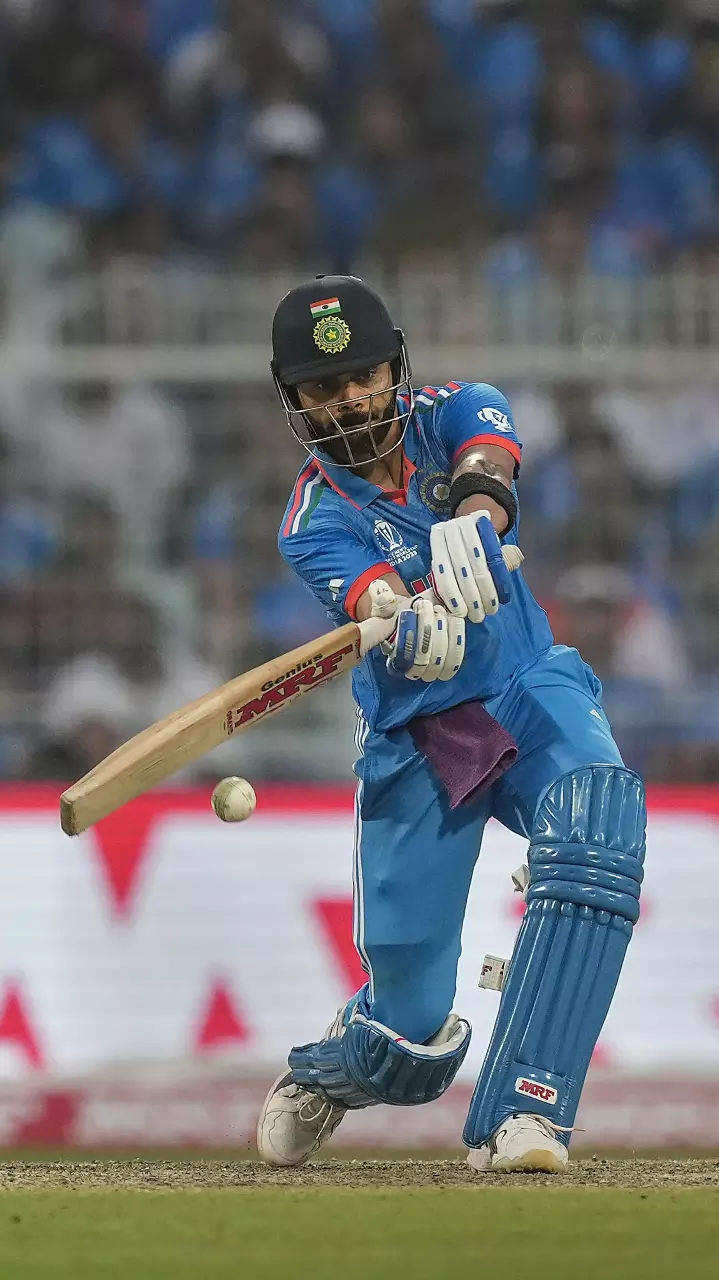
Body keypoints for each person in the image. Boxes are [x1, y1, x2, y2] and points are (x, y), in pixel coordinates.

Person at [256, 274, 646, 1174]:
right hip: (419, 737)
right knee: (411, 1041)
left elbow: (487, 460)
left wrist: (473, 519)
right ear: (295, 402)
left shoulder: (454, 408)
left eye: (363, 376)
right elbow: (367, 595)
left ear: (393, 368)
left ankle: (526, 1114)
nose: (350, 400)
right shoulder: (310, 520)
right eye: (323, 388)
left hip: (525, 682)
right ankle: (330, 1068)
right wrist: (400, 618)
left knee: (596, 827)